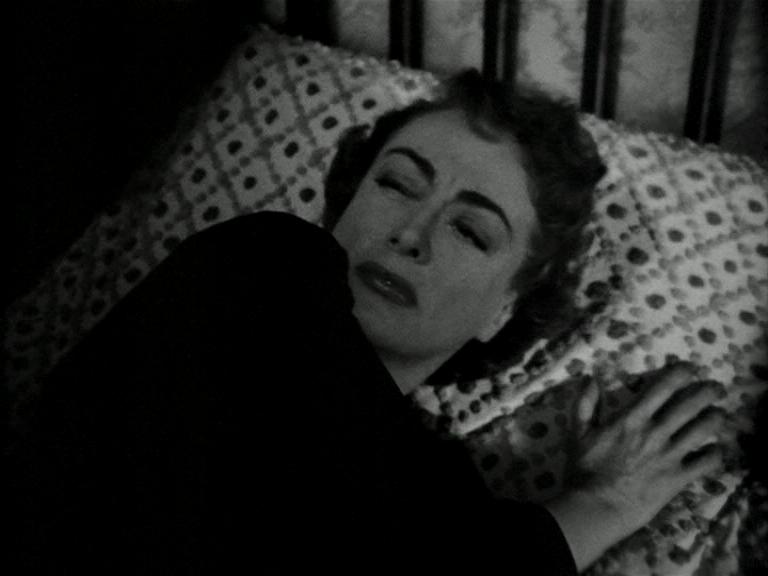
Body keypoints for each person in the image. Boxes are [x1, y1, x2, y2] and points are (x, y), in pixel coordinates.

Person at [11, 70, 728, 574]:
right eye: (396, 183)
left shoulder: (447, 501)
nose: (411, 233)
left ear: (505, 308)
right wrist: (599, 508)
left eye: (470, 231)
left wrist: (608, 499)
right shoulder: (259, 263)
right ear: (346, 203)